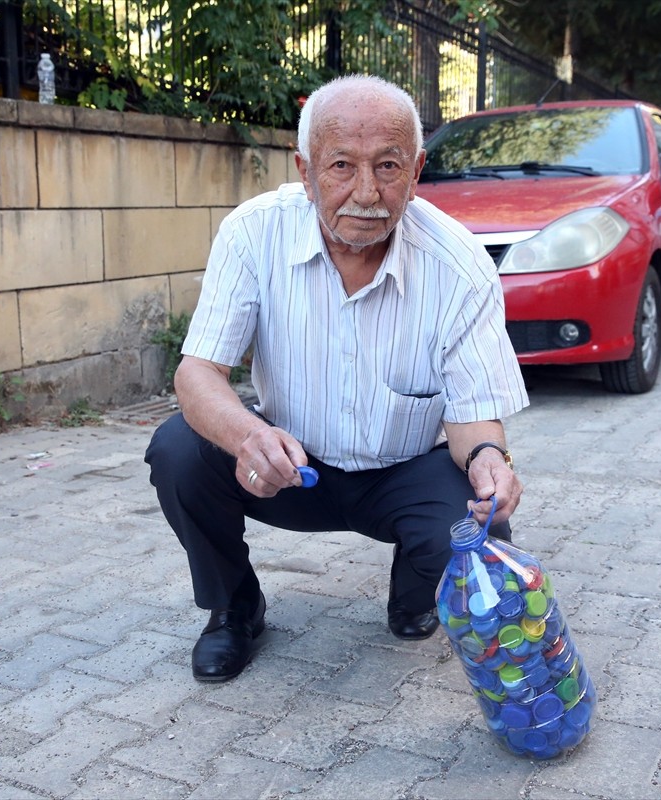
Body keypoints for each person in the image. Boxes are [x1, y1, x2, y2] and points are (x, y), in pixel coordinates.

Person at [144, 74, 529, 683]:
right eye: (342, 165)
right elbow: (197, 373)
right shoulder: (253, 233)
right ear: (305, 170)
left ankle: (415, 596)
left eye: (388, 166)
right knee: (179, 452)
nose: (366, 192)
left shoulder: (458, 265)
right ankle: (234, 606)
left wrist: (489, 457)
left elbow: (473, 414)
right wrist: (247, 435)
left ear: (418, 169)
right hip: (292, 468)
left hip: (404, 473)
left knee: (480, 517)